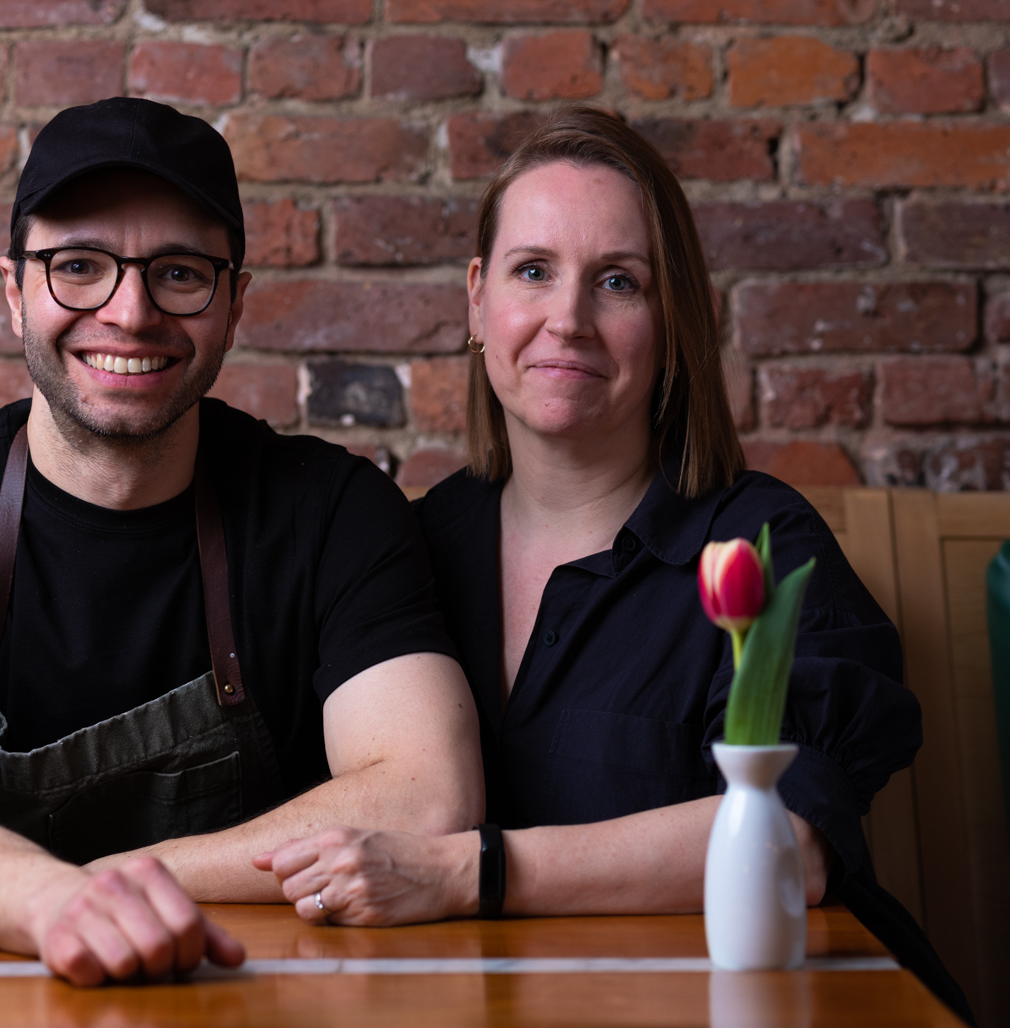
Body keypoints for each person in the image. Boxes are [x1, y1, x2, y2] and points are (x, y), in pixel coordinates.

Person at [256, 107, 972, 1023]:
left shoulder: (760, 546)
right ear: (478, 299)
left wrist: (468, 870)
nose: (569, 320)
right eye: (533, 272)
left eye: (619, 283)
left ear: (670, 318)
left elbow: (792, 834)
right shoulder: (404, 549)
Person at [0, 97, 484, 986]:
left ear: (234, 303)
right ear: (15, 292)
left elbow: (427, 797)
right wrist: (55, 910)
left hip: (259, 992)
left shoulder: (334, 515)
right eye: (78, 266)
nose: (129, 313)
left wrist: (116, 887)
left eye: (179, 272)